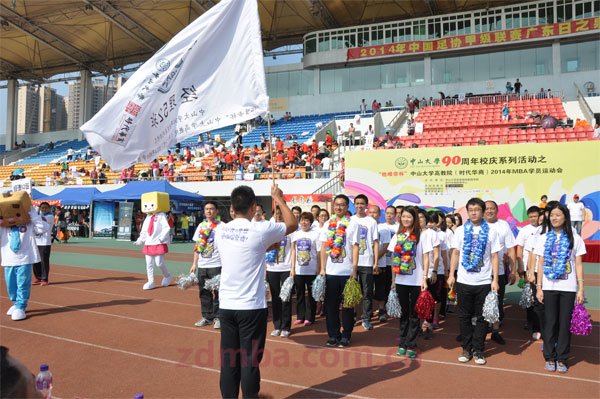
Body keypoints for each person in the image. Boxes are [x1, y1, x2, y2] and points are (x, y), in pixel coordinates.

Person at [215, 184, 296, 398]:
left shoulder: (220, 230)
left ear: (233, 207)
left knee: (229, 360)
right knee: (249, 361)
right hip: (251, 307)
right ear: (253, 207)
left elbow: (246, 250)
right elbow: (292, 224)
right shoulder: (259, 229)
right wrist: (278, 198)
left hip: (227, 306)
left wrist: (264, 247)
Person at [534, 202, 586, 373]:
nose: (554, 218)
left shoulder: (575, 238)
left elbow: (578, 264)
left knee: (564, 324)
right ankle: (549, 356)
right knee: (550, 323)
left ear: (565, 217)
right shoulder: (543, 238)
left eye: (558, 215)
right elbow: (540, 263)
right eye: (552, 215)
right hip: (549, 286)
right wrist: (539, 287)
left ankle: (562, 358)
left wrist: (580, 288)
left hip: (568, 288)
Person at [448, 198, 501, 365]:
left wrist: (495, 279)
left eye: (477, 209)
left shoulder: (492, 231)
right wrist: (451, 275)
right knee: (464, 316)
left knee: (482, 317)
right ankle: (466, 347)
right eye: (470, 209)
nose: (473, 212)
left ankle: (478, 349)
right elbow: (455, 253)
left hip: (484, 281)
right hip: (464, 280)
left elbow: (494, 256)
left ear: (483, 211)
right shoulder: (461, 231)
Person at [389, 206, 431, 358]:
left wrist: (425, 277)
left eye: (409, 217)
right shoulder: (397, 236)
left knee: (414, 314)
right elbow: (394, 260)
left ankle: (411, 344)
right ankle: (402, 343)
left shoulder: (423, 235)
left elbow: (426, 257)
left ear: (414, 218)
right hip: (401, 280)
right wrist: (393, 280)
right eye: (403, 217)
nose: (406, 219)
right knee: (404, 313)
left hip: (416, 281)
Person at [320, 194, 359, 347]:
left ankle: (346, 335)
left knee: (348, 305)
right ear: (333, 206)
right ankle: (333, 335)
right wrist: (322, 269)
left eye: (342, 204)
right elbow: (323, 247)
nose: (339, 207)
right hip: (331, 273)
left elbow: (356, 247)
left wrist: (354, 269)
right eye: (336, 204)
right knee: (330, 307)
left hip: (347, 272)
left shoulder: (352, 223)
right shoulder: (328, 223)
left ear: (347, 207)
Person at [484, 200, 517, 345]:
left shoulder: (503, 226)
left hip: (499, 271)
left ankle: (495, 331)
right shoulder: (476, 225)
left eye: (492, 209)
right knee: (480, 302)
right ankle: (481, 328)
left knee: (496, 301)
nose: (489, 211)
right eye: (486, 209)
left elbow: (511, 249)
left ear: (497, 211)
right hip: (480, 273)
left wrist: (513, 270)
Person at [190, 202, 222, 329]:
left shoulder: (222, 226)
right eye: (207, 209)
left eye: (212, 209)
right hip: (203, 265)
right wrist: (194, 263)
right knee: (204, 292)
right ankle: (207, 317)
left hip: (217, 264)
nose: (209, 211)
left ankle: (218, 317)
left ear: (217, 211)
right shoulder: (201, 226)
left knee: (218, 292)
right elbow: (197, 246)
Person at [351, 194, 379, 331]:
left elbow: (375, 242)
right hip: (352, 263)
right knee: (353, 292)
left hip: (367, 261)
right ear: (354, 205)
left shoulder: (371, 221)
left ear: (366, 205)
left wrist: (375, 262)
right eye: (357, 203)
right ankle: (352, 316)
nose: (359, 206)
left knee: (367, 292)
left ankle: (366, 318)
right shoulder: (349, 220)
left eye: (362, 203)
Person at [516, 206, 543, 339]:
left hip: (542, 269)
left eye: (535, 216)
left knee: (539, 297)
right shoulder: (525, 230)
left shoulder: (543, 229)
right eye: (531, 216)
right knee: (529, 296)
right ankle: (530, 321)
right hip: (529, 268)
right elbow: (519, 248)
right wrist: (520, 266)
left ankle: (540, 323)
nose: (533, 219)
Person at [266, 207, 293, 338]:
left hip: (286, 268)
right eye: (277, 213)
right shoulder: (269, 228)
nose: (279, 215)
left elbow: (293, 249)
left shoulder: (289, 228)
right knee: (275, 298)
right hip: (272, 268)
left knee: (286, 298)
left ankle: (286, 327)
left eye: (281, 213)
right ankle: (277, 326)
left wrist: (293, 268)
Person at [291, 212, 321, 327]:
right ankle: (300, 316)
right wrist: (292, 268)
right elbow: (293, 251)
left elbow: (318, 252)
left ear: (311, 222)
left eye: (307, 220)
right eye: (302, 220)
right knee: (299, 294)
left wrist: (318, 268)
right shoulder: (296, 234)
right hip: (299, 270)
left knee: (312, 295)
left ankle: (310, 317)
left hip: (312, 269)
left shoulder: (315, 234)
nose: (304, 222)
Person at [370, 205, 391, 323]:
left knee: (380, 288)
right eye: (371, 212)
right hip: (366, 264)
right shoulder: (366, 226)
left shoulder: (384, 228)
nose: (372, 214)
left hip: (380, 264)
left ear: (379, 214)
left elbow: (385, 246)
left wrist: (376, 260)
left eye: (375, 212)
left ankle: (382, 310)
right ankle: (366, 312)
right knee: (366, 289)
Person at [32, 202, 54, 286]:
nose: (44, 209)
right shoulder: (37, 216)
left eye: (45, 208)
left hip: (45, 243)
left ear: (49, 208)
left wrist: (33, 214)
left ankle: (45, 279)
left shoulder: (50, 216)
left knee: (44, 261)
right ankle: (38, 277)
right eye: (42, 208)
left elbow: (42, 219)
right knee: (35, 260)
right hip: (36, 242)